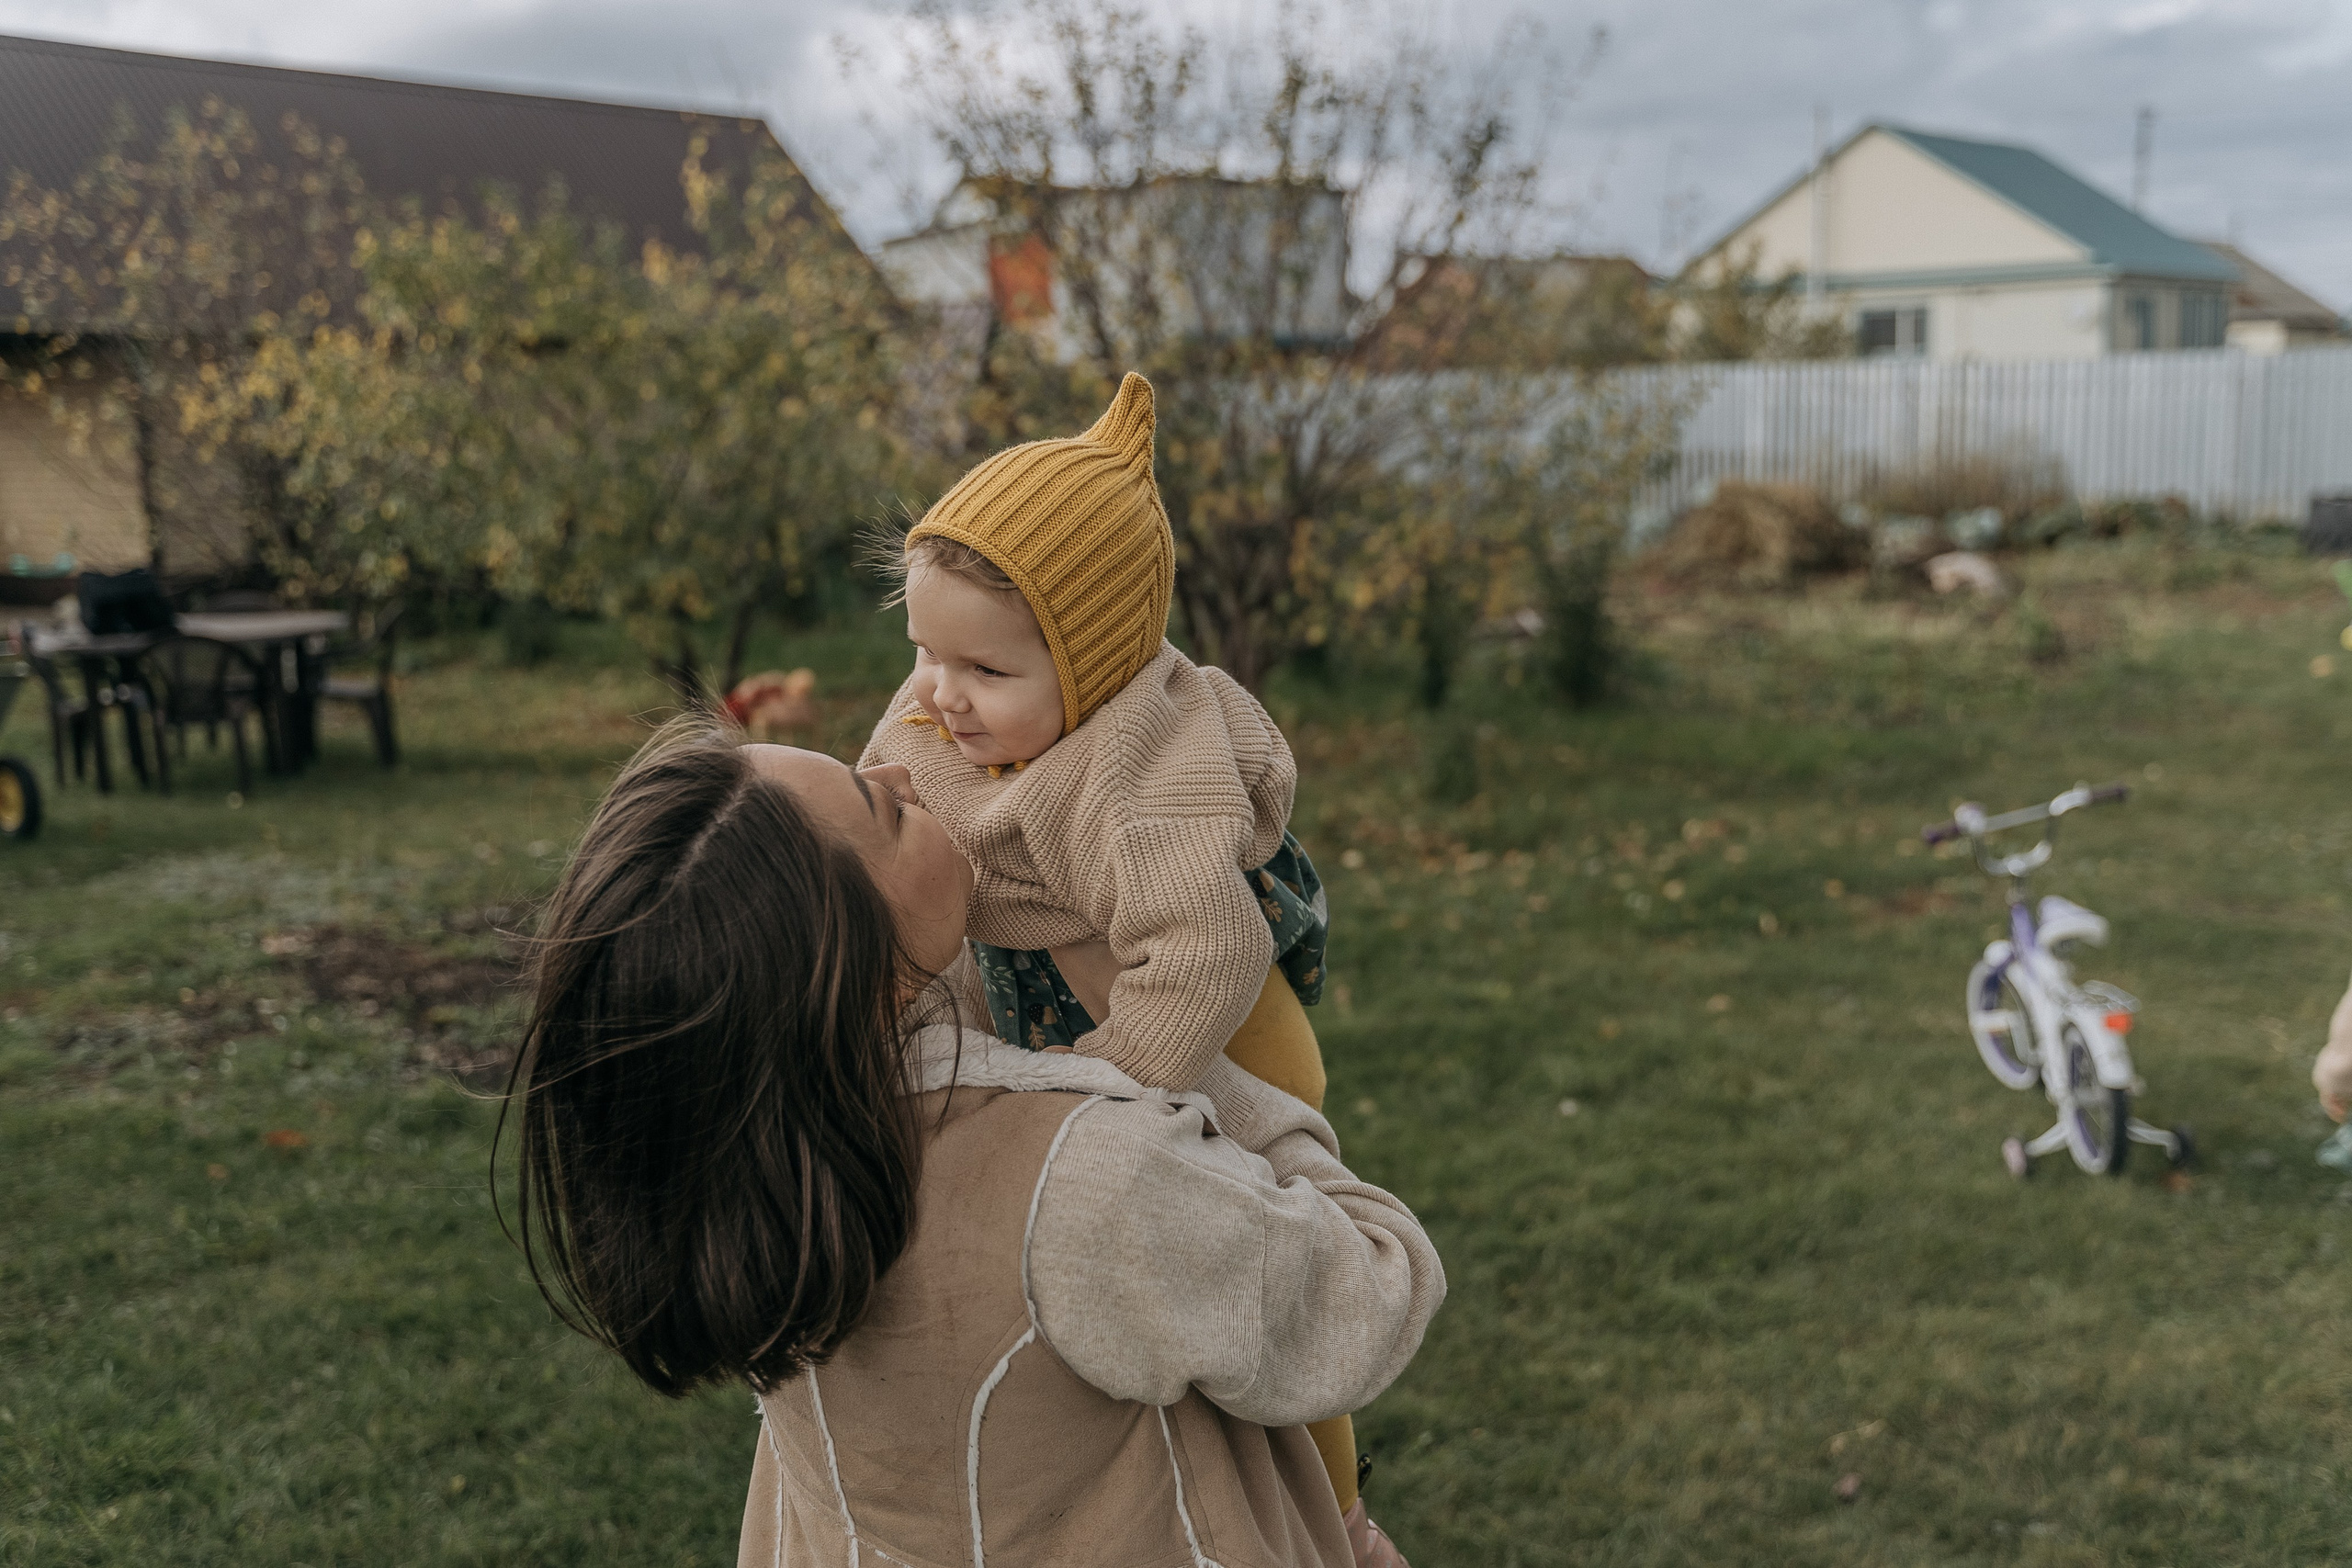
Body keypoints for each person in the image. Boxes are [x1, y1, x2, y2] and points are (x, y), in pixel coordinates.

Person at [503, 717, 1444, 1568]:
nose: (905, 773)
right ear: (850, 960)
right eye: (880, 805)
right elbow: (1368, 1293)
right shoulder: (1083, 1181)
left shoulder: (732, 1161)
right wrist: (1200, 1064)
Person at [860, 372, 1376, 1520]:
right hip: (1058, 972)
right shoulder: (947, 700)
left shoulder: (1146, 777)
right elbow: (887, 809)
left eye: (984, 671)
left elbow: (1199, 954)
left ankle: (1336, 1512)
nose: (936, 695)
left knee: (1262, 1264)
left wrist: (1103, 1099)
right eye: (924, 651)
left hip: (1212, 1016)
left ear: (1092, 665)